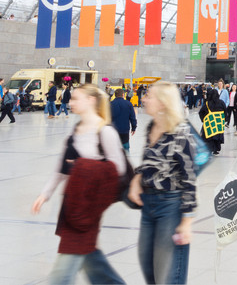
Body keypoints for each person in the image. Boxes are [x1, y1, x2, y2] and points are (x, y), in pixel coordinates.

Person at [31, 84, 126, 285]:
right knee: (90, 257)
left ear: (91, 100)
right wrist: (44, 194)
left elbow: (119, 169)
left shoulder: (105, 131)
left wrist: (82, 166)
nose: (71, 102)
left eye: (75, 99)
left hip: (89, 206)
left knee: (65, 266)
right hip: (71, 203)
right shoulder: (74, 133)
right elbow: (60, 168)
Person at [127, 82, 196, 284]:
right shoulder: (152, 126)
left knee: (168, 273)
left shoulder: (181, 132)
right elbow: (150, 161)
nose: (144, 99)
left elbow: (190, 178)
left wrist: (186, 222)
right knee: (147, 264)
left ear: (164, 103)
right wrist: (137, 179)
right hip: (149, 204)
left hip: (171, 205)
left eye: (149, 96)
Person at [199, 88, 225, 155]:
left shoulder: (207, 103)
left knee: (210, 136)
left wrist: (203, 119)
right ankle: (216, 149)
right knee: (217, 136)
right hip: (219, 124)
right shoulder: (221, 103)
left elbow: (201, 112)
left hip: (210, 124)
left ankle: (210, 149)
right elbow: (225, 112)